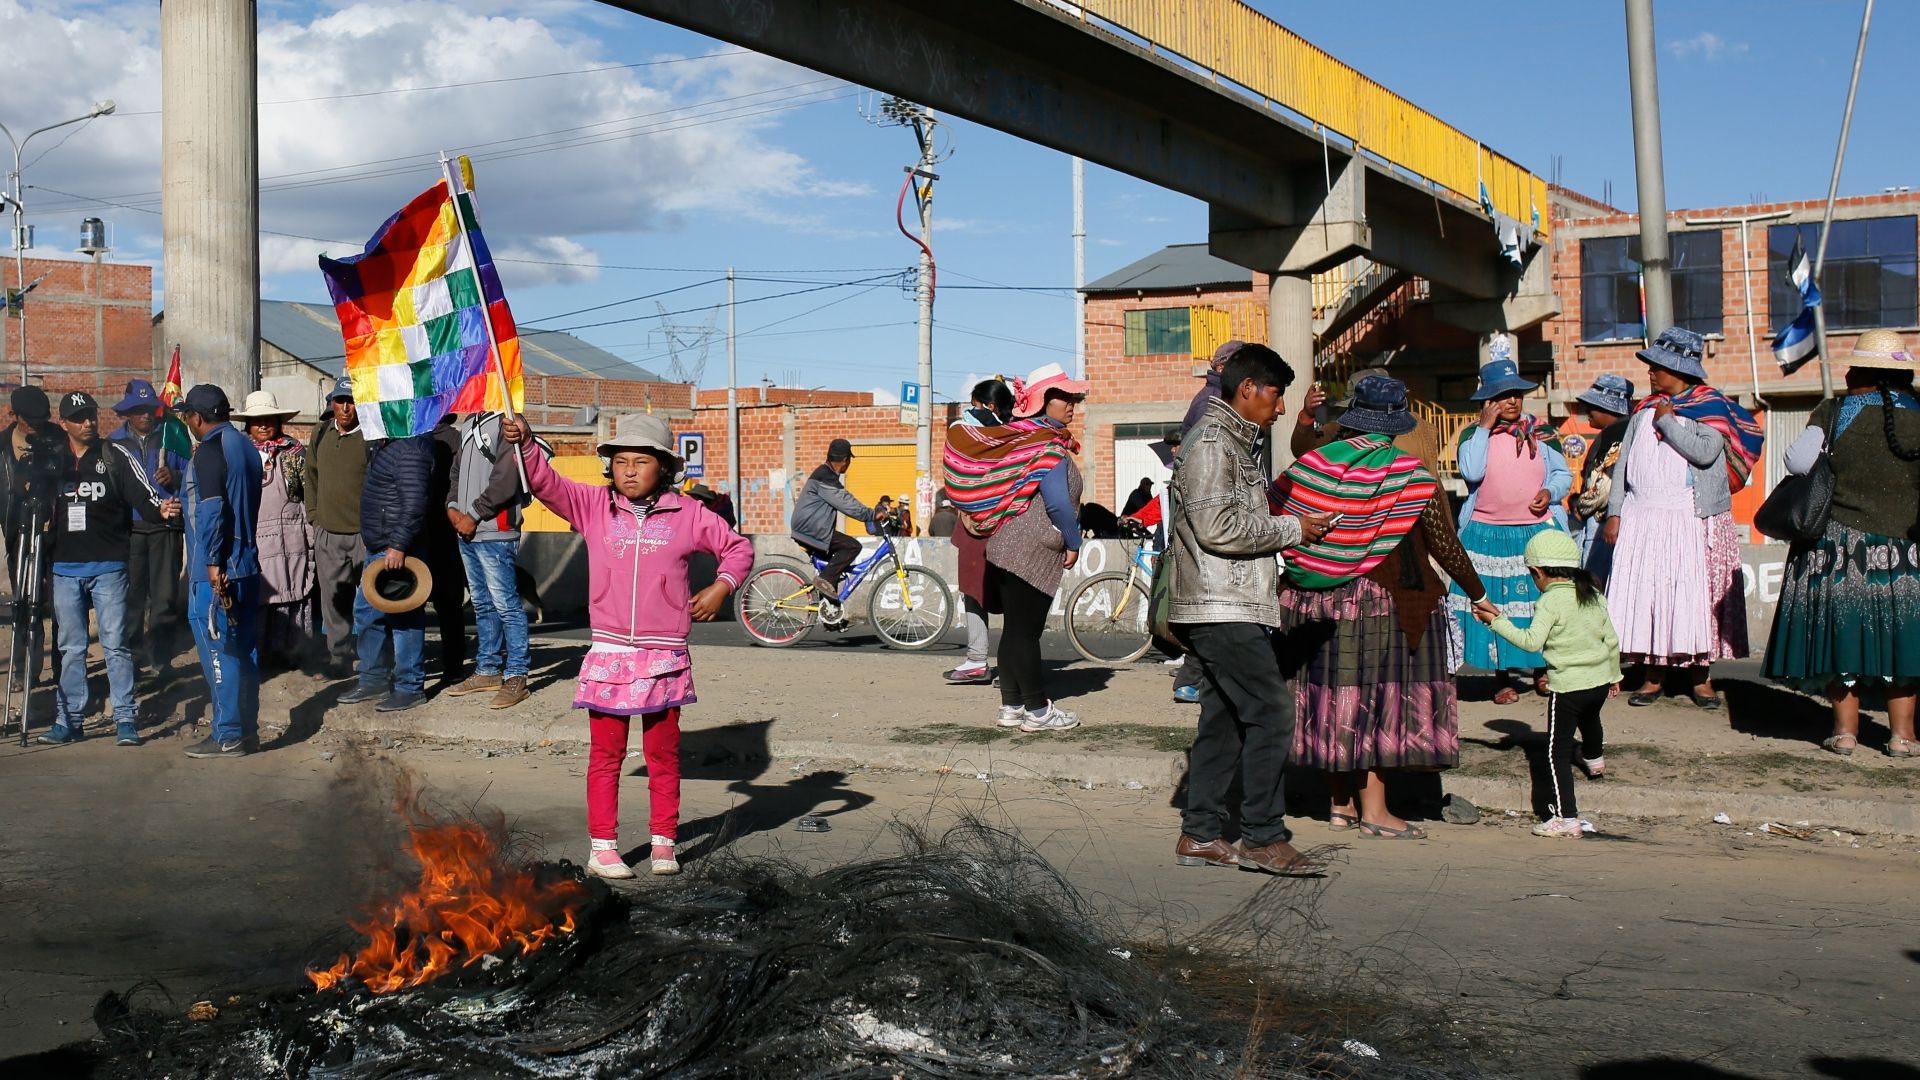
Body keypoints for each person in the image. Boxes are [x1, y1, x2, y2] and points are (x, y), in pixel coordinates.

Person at [503, 411, 753, 879]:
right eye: (621, 461)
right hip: (611, 652)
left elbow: (738, 549)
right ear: (609, 467)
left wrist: (722, 586)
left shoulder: (689, 513)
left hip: (664, 654)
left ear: (664, 467)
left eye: (641, 461)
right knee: (607, 755)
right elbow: (544, 481)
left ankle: (663, 843)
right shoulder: (593, 507)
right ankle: (603, 848)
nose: (630, 471)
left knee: (662, 754)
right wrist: (529, 440)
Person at [1274, 375, 1491, 840]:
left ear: (1353, 417)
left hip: (1310, 600)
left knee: (1331, 697)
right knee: (1377, 700)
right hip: (1378, 604)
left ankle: (1339, 804)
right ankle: (1375, 810)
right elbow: (1446, 549)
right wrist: (1479, 595)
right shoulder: (1411, 477)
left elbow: (1277, 511)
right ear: (1395, 424)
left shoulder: (1312, 468)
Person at [1167, 344, 1333, 874]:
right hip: (1220, 605)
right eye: (1276, 394)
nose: (1281, 407)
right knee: (1271, 712)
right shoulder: (1215, 443)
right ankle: (1262, 836)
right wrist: (1293, 529)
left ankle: (1200, 834)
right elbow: (1217, 530)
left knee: (1226, 719)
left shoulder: (1234, 442)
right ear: (1248, 389)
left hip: (1229, 601)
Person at [1763, 330, 1920, 757]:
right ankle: (1903, 737)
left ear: (1867, 374)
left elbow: (1796, 461)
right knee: (1901, 642)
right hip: (1906, 548)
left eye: (1852, 367)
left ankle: (1846, 733)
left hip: (1840, 548)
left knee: (1843, 638)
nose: (1846, 373)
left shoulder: (1835, 411)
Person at [1604, 327, 1761, 709]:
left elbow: (1706, 453)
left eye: (1657, 367)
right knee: (1652, 594)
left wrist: (1668, 422)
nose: (1650, 373)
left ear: (1680, 370)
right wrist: (1614, 511)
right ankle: (1652, 676)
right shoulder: (1643, 409)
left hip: (1688, 517)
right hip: (1642, 517)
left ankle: (1701, 679)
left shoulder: (1708, 406)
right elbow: (1624, 463)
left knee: (1691, 596)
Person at [34, 392, 177, 746]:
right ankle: (69, 720)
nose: (88, 423)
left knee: (115, 645)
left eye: (92, 416)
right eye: (79, 418)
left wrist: (158, 508)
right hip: (65, 569)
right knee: (72, 648)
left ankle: (125, 719)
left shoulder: (114, 454)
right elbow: (34, 498)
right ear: (64, 422)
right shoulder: (54, 460)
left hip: (110, 566)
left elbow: (141, 492)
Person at [957, 363, 1089, 732]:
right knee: (1026, 633)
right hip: (1031, 549)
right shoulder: (1046, 444)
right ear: (1042, 401)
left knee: (1013, 630)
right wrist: (1073, 540)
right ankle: (1038, 710)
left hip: (1003, 544)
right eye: (1063, 396)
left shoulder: (1018, 438)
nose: (1071, 403)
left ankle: (1011, 706)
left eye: (1073, 396)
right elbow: (1059, 503)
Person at [1473, 530, 1621, 839]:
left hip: (1567, 688)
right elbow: (1610, 639)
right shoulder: (1592, 593)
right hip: (1598, 683)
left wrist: (1495, 622)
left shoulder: (1550, 601)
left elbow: (1530, 643)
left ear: (1539, 572)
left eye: (1532, 575)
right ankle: (1594, 760)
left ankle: (1566, 818)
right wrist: (1615, 676)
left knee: (1557, 753)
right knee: (1591, 720)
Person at [1447, 358, 1572, 704]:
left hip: (1534, 533)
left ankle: (1543, 671)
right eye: (1503, 395)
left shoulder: (1542, 433)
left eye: (1516, 394)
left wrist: (1551, 493)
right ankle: (1502, 677)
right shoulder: (1474, 436)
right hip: (1487, 534)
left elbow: (1563, 475)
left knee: (1537, 604)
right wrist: (1485, 427)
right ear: (1488, 400)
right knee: (1497, 604)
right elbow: (1471, 473)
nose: (1513, 401)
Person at [174, 385, 264, 758]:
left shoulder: (210, 451)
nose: (187, 423)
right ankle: (247, 731)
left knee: (219, 651)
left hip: (216, 571)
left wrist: (212, 563)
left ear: (197, 417)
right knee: (245, 652)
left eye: (187, 416)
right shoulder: (245, 446)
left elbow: (212, 510)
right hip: (246, 564)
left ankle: (227, 734)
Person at [445, 410, 537, 710]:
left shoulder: (508, 420)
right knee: (483, 604)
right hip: (467, 531)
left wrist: (473, 514)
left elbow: (505, 480)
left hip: (496, 531)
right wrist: (453, 508)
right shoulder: (469, 423)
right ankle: (487, 669)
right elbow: (455, 472)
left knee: (506, 605)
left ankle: (517, 674)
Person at [339, 431, 433, 712]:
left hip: (396, 550)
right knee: (367, 613)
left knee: (404, 617)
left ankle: (409, 687)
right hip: (382, 546)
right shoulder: (391, 444)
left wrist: (398, 544)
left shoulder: (409, 448)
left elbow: (415, 501)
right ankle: (373, 679)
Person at [109, 379, 189, 678]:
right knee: (131, 596)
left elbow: (192, 475)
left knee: (164, 597)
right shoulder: (114, 444)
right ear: (127, 413)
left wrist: (176, 477)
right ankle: (131, 657)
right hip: (129, 529)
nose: (145, 415)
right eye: (138, 409)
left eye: (149, 409)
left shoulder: (171, 437)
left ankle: (161, 658)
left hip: (166, 527)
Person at [231, 391, 312, 670]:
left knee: (293, 586)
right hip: (255, 531)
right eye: (257, 421)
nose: (263, 425)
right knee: (262, 590)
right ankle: (261, 652)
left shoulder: (295, 451)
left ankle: (293, 651)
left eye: (269, 420)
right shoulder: (238, 453)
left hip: (291, 530)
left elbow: (307, 491)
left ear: (278, 421)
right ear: (248, 425)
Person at [942, 378, 1015, 685]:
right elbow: (955, 473)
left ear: (990, 406)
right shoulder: (961, 433)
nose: (970, 412)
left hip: (1004, 523)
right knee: (973, 593)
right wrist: (963, 507)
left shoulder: (1014, 436)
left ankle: (1013, 664)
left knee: (1014, 597)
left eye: (974, 405)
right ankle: (976, 660)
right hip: (971, 526)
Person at [305, 377, 367, 679]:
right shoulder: (321, 433)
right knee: (333, 600)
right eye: (340, 401)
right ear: (332, 403)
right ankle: (339, 657)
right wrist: (315, 516)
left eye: (351, 401)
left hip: (364, 534)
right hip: (329, 532)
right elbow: (311, 475)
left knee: (371, 600)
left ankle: (373, 661)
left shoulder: (370, 436)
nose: (346, 408)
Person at [1, 386, 59, 694]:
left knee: (60, 607)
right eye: (31, 420)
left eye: (42, 419)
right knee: (23, 603)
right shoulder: (1, 447)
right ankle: (26, 670)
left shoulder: (59, 440)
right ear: (16, 416)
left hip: (58, 537)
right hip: (19, 537)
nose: (37, 426)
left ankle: (62, 669)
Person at [789, 438, 876, 631]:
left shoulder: (826, 474)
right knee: (852, 547)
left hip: (809, 527)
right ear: (845, 460)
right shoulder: (825, 478)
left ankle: (830, 617)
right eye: (849, 461)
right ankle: (826, 580)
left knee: (833, 567)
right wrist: (870, 514)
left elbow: (845, 499)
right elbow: (846, 502)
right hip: (810, 529)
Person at [1562, 374, 1634, 585]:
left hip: (1603, 523)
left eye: (1591, 407)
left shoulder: (1615, 434)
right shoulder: (1627, 429)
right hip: (1619, 519)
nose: (1587, 413)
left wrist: (1581, 507)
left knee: (1595, 587)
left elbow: (1604, 483)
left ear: (1609, 408)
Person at [426, 414, 469, 687]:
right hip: (432, 532)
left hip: (443, 532)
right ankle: (451, 665)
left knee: (446, 605)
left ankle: (452, 665)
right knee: (447, 606)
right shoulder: (455, 438)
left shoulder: (455, 439)